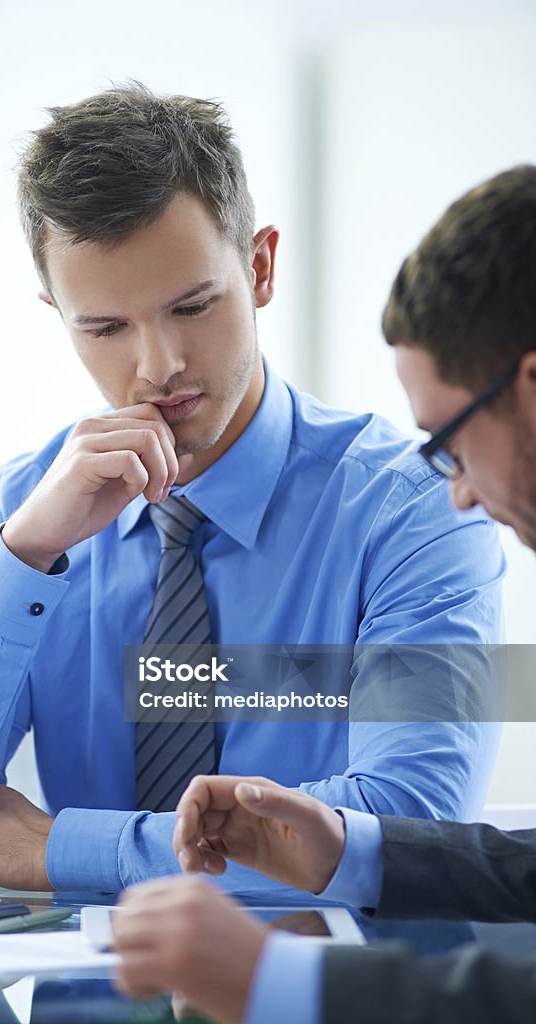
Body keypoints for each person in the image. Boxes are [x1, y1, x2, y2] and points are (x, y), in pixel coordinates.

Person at [0, 84, 504, 891]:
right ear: (57, 313)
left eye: (192, 306)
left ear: (260, 267)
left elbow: (407, 833)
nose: (158, 365)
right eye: (104, 328)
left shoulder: (416, 512)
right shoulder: (19, 515)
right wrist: (23, 556)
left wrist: (57, 849)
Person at [113, 164, 536, 1024]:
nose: (456, 490)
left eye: (449, 439)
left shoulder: (397, 511)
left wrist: (277, 983)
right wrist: (346, 849)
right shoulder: (42, 501)